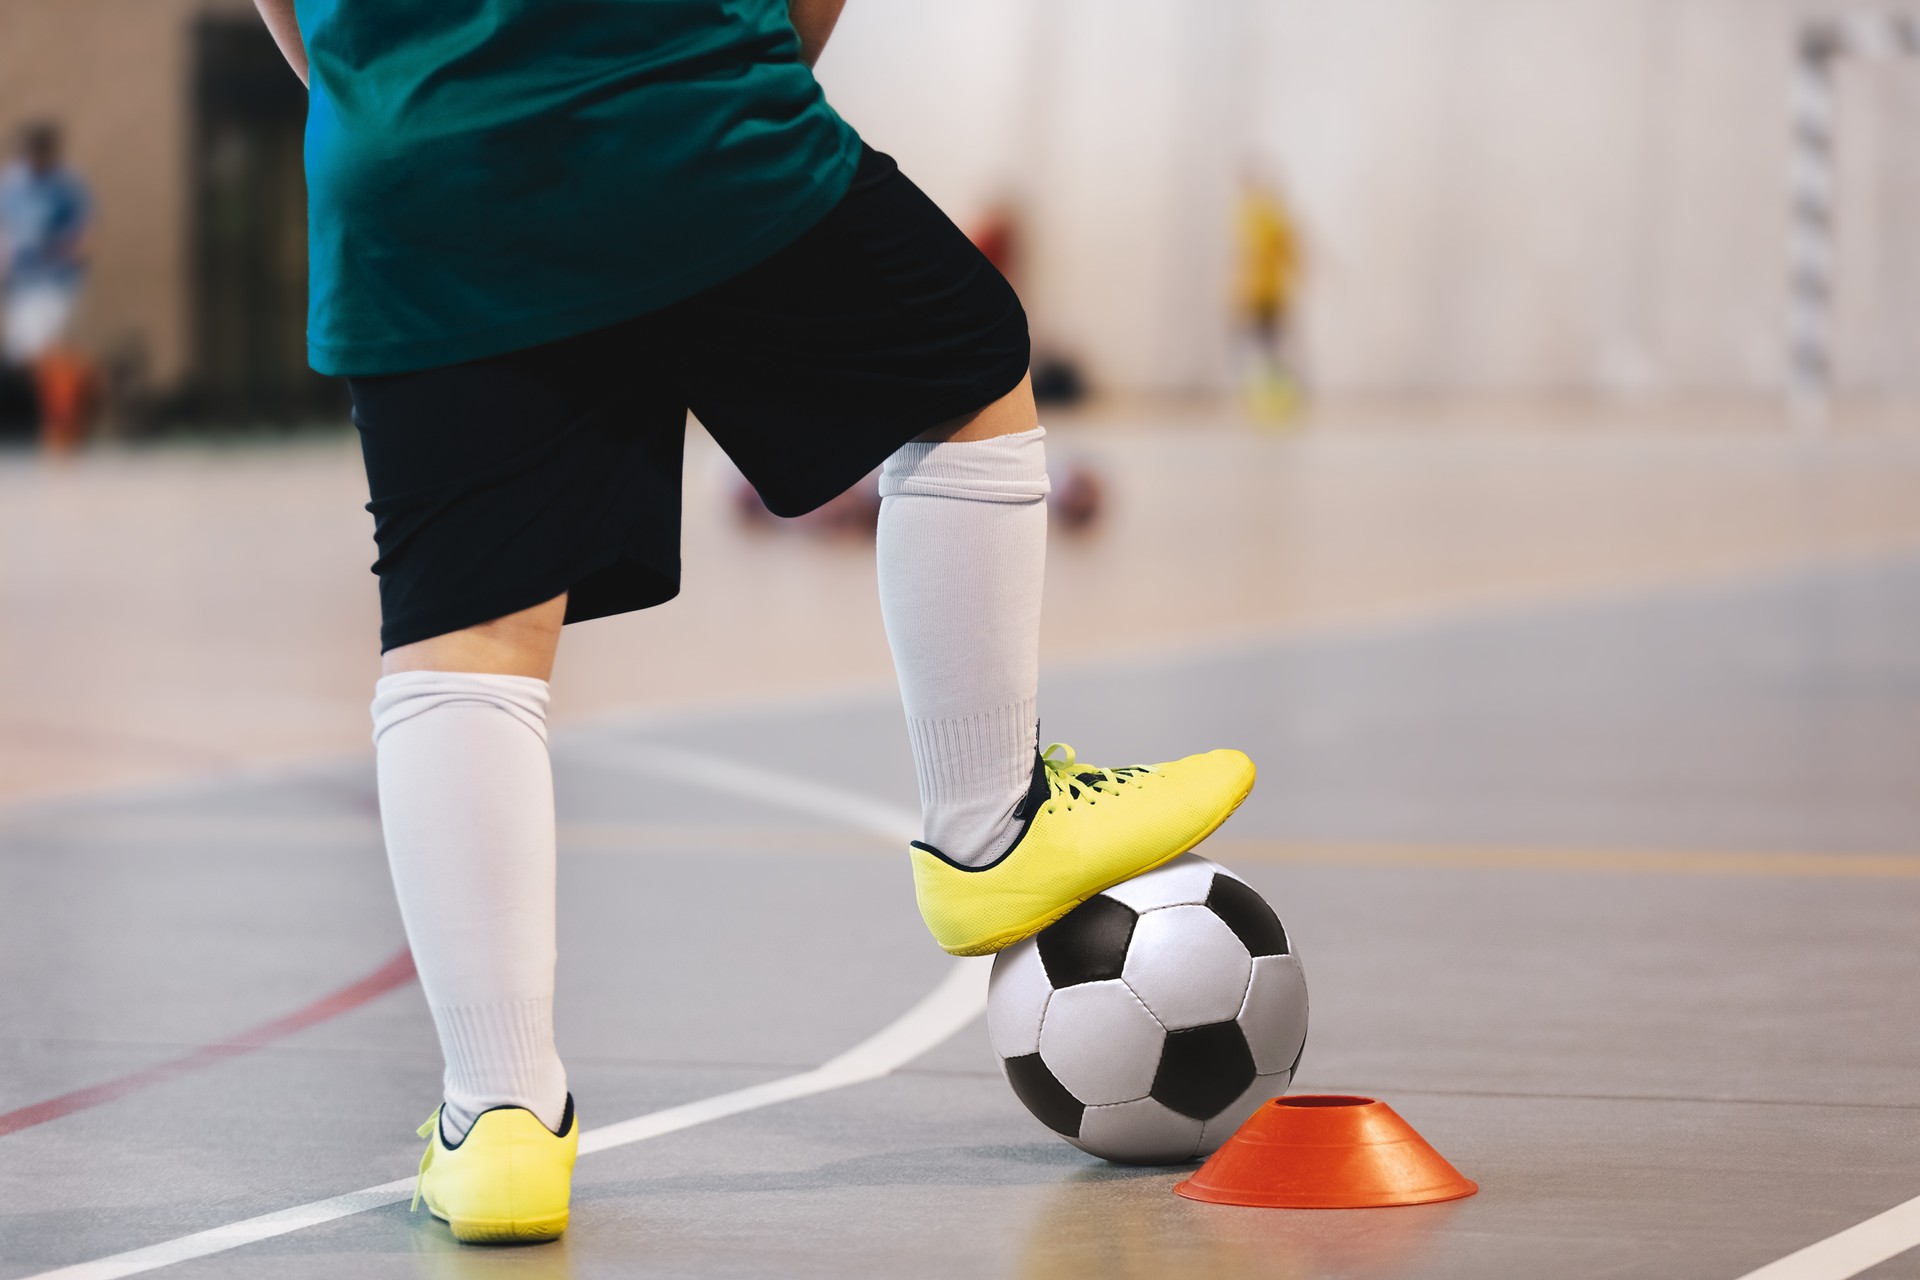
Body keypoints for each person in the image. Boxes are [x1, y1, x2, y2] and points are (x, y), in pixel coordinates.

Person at [251, 0, 1255, 1245]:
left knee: (468, 633)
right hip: (681, 101)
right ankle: (991, 822)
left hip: (417, 162)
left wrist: (391, 93)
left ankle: (500, 1115)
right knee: (964, 362)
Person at [0, 122, 92, 447]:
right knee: (24, 354)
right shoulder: (11, 185)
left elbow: (82, 234)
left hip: (56, 282)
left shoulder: (68, 186)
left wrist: (65, 254)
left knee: (48, 350)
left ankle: (61, 425)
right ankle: (62, 399)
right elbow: (5, 233)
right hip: (23, 283)